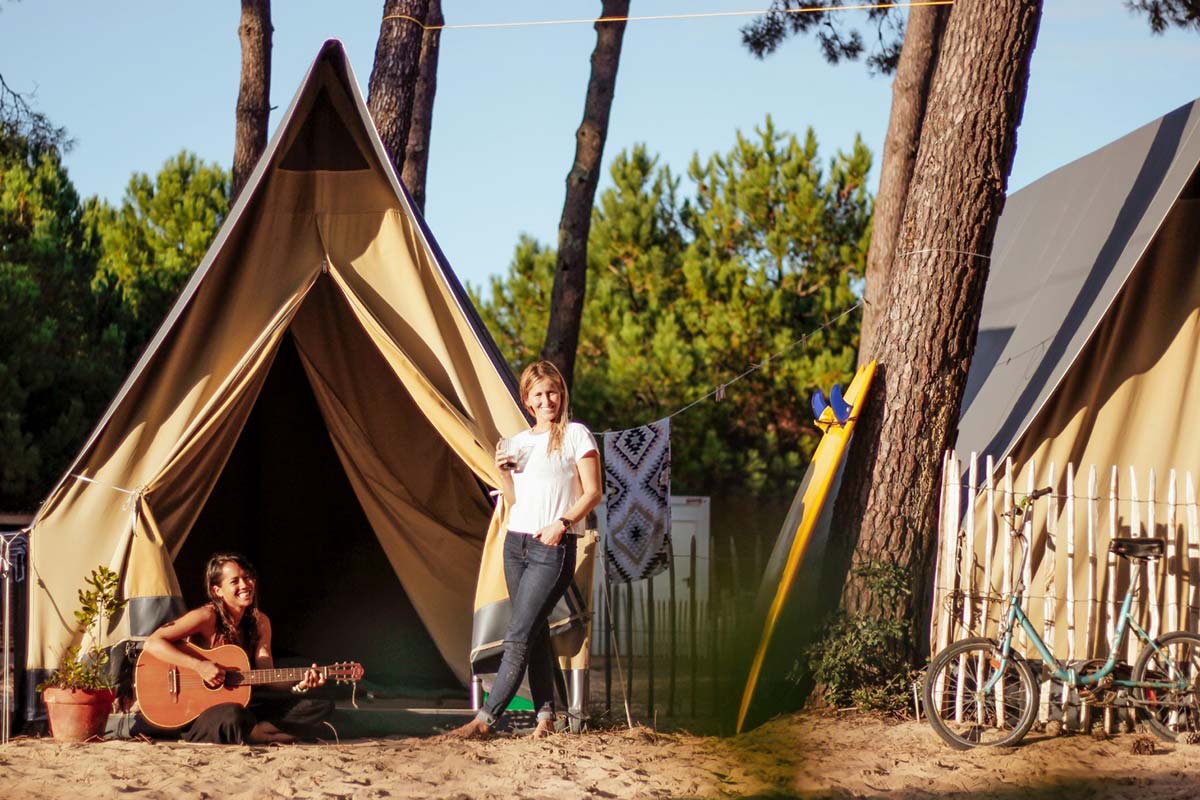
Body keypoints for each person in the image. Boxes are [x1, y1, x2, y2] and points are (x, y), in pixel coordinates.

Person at [449, 360, 603, 739]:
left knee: (518, 632)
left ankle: (484, 720)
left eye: (553, 392)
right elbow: (515, 499)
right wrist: (503, 472)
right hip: (515, 543)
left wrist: (562, 524)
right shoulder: (516, 443)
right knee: (532, 631)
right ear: (527, 400)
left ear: (561, 395)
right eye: (539, 394)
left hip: (553, 545)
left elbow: (593, 492)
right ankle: (545, 717)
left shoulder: (577, 436)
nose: (547, 399)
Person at [140, 552, 334, 744]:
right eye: (235, 581)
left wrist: (300, 684)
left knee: (320, 703)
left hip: (245, 704)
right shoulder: (206, 616)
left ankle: (256, 732)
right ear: (217, 591)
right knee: (233, 715)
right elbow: (153, 642)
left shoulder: (261, 622)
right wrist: (199, 666)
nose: (245, 585)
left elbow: (268, 675)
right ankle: (258, 733)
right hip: (201, 712)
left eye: (247, 578)